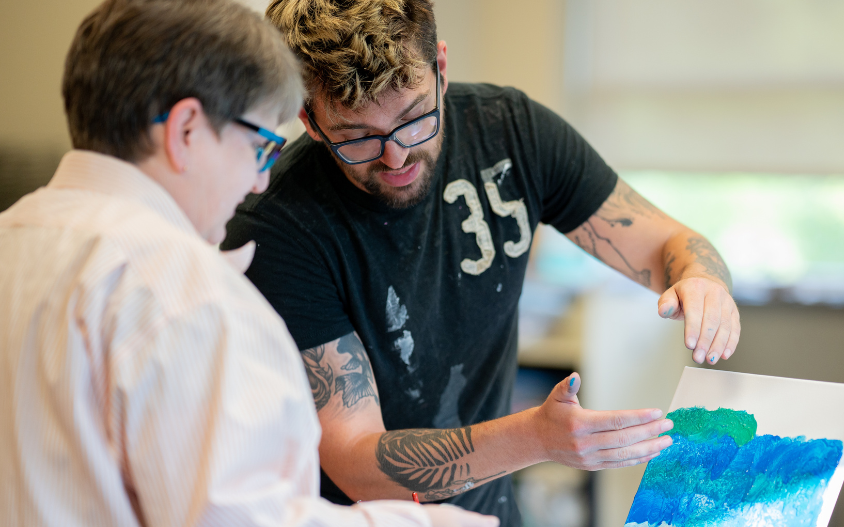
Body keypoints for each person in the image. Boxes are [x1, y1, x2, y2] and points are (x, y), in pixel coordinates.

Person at [221, 0, 742, 524]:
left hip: (488, 510)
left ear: (441, 70)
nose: (396, 156)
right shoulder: (277, 227)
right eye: (358, 138)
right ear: (309, 118)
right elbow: (355, 459)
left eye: (413, 118)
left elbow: (668, 245)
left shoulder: (511, 132)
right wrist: (536, 437)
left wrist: (704, 279)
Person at [0, 0, 496, 526]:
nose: (260, 182)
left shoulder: (13, 241)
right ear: (186, 130)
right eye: (260, 145)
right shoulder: (182, 291)